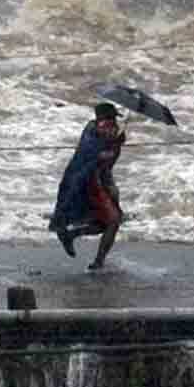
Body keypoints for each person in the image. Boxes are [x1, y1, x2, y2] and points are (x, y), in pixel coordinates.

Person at [48, 102, 127, 270]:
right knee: (113, 221)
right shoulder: (98, 130)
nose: (114, 122)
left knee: (104, 224)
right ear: (104, 118)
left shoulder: (94, 130)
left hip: (96, 181)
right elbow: (100, 156)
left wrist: (116, 143)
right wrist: (113, 144)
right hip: (92, 183)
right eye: (111, 118)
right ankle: (98, 262)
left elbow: (107, 158)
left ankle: (71, 235)